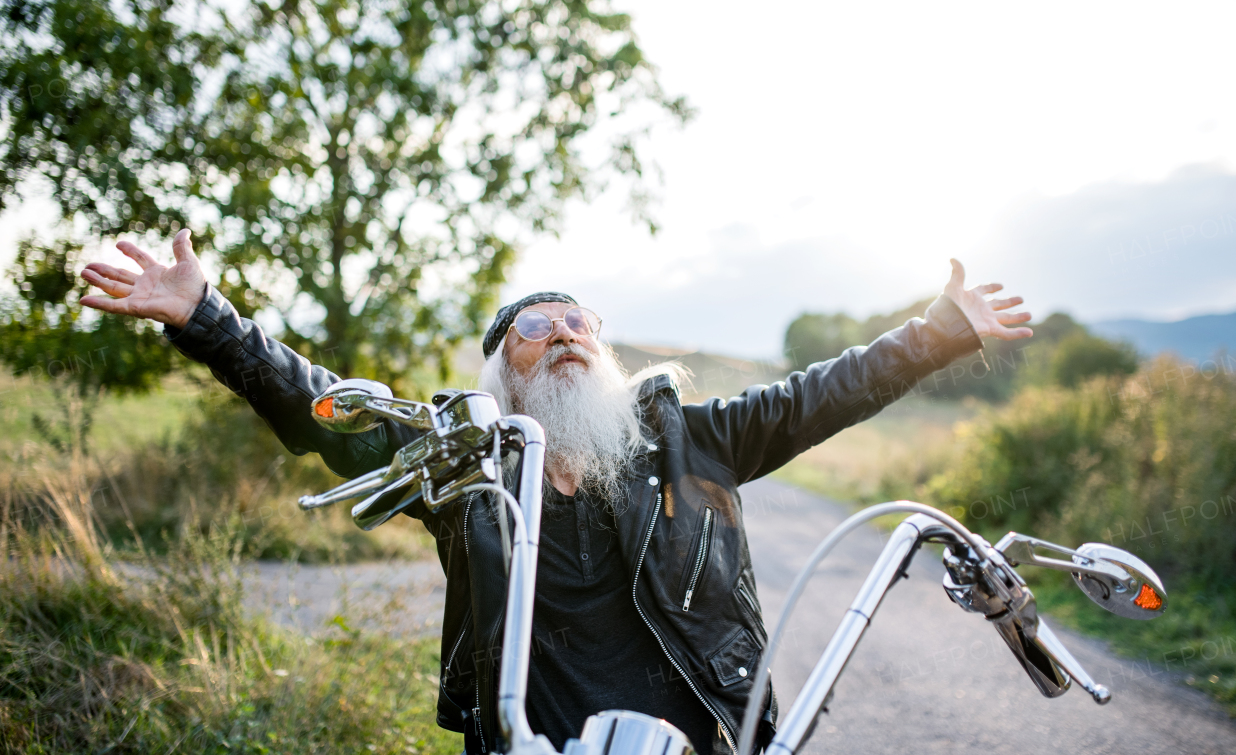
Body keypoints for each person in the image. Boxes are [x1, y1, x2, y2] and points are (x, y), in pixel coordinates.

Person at [80, 229, 1032, 755]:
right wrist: (209, 320)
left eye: (581, 322)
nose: (567, 333)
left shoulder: (695, 441)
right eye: (539, 325)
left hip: (700, 739)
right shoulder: (467, 459)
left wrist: (941, 329)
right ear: (503, 368)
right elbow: (330, 411)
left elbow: (826, 390)